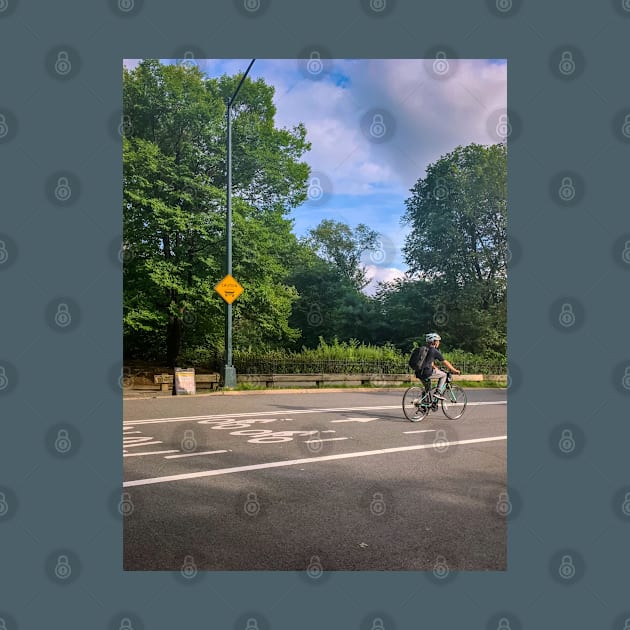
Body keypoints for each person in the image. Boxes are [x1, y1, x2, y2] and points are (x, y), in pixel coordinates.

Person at [418, 333, 460, 400]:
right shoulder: (434, 351)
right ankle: (438, 393)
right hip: (426, 372)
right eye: (438, 341)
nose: (439, 342)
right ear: (434, 342)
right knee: (444, 375)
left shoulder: (424, 349)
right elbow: (445, 362)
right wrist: (454, 370)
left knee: (427, 389)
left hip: (418, 372)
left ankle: (424, 404)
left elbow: (430, 363)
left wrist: (435, 368)